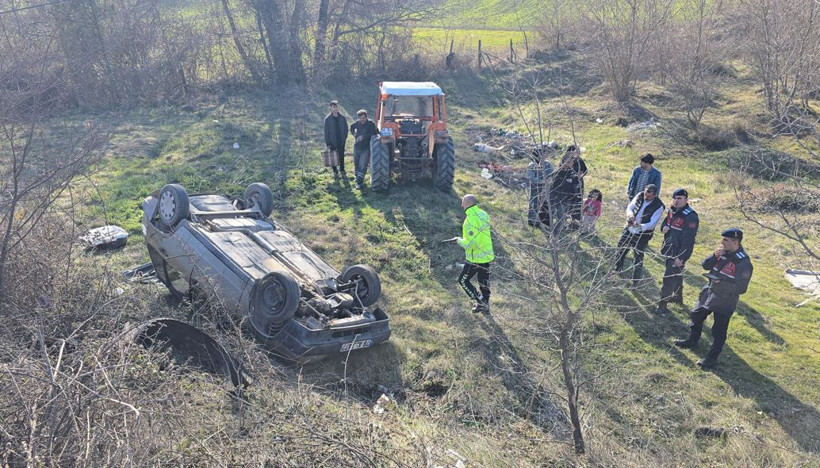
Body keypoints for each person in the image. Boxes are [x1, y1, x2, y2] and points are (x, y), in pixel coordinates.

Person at [674, 228, 753, 370]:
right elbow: (705, 265)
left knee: (719, 330)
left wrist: (721, 283)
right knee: (696, 315)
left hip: (725, 300)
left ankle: (712, 358)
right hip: (709, 291)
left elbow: (741, 288)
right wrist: (714, 256)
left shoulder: (743, 262)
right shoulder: (722, 253)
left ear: (735, 242)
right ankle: (692, 340)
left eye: (725, 240)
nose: (721, 242)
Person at [655, 188, 699, 314]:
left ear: (686, 200)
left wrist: (681, 257)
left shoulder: (690, 216)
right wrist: (663, 228)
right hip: (669, 248)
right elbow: (665, 223)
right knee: (677, 274)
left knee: (668, 277)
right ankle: (678, 297)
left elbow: (689, 240)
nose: (676, 201)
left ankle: (662, 305)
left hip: (678, 252)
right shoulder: (672, 210)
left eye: (679, 198)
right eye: (674, 198)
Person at [613, 184, 665, 287]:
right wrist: (630, 215)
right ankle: (617, 270)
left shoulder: (659, 206)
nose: (646, 197)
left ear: (655, 195)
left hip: (642, 234)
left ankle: (635, 281)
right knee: (621, 249)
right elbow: (630, 207)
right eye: (645, 194)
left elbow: (652, 224)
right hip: (629, 228)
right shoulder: (639, 195)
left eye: (649, 196)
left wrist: (639, 226)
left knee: (638, 257)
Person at [456, 194, 495, 313]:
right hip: (486, 255)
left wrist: (458, 240)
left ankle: (480, 301)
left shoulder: (470, 220)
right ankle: (485, 305)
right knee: (483, 281)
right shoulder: (483, 214)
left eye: (463, 202)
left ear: (467, 203)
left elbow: (470, 244)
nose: (461, 205)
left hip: (475, 258)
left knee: (463, 280)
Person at [550, 155, 582, 234]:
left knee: (562, 218)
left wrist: (576, 178)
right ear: (566, 162)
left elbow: (576, 181)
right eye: (571, 162)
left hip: (568, 199)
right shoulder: (558, 172)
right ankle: (554, 235)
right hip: (559, 199)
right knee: (560, 219)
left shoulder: (571, 172)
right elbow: (553, 182)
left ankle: (557, 235)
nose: (572, 163)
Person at [349, 109, 378, 190]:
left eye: (364, 118)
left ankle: (359, 183)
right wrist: (354, 134)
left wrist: (363, 136)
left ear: (366, 117)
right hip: (357, 146)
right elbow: (351, 127)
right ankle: (357, 177)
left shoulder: (370, 124)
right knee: (356, 163)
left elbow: (373, 133)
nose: (362, 120)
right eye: (361, 118)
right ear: (358, 118)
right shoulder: (357, 123)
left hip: (366, 147)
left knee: (363, 164)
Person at [527, 145, 554, 228]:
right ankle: (532, 220)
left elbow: (552, 172)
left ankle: (543, 220)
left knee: (544, 202)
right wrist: (541, 181)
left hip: (546, 187)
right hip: (535, 186)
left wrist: (549, 179)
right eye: (543, 153)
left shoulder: (547, 164)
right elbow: (531, 176)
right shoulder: (532, 165)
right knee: (534, 202)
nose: (545, 155)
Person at [562, 145, 588, 226]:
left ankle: (575, 221)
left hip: (578, 184)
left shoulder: (580, 161)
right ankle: (564, 220)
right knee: (567, 202)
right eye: (576, 152)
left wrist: (581, 175)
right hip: (569, 184)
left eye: (578, 152)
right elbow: (563, 170)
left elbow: (585, 170)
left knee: (578, 201)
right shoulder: (566, 159)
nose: (578, 153)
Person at [323, 100, 348, 176]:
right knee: (333, 156)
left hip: (341, 140)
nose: (335, 108)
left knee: (341, 155)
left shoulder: (342, 118)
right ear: (331, 108)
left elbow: (346, 129)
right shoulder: (327, 119)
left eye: (336, 106)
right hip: (332, 141)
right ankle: (335, 171)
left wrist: (344, 138)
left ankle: (342, 170)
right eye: (333, 107)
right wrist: (328, 143)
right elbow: (326, 132)